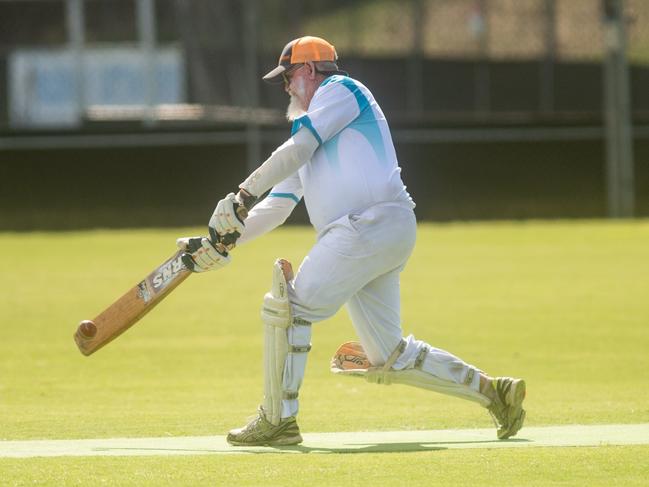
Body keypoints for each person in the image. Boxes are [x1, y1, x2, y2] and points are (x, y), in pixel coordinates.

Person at [177, 36, 526, 446]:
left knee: (289, 308)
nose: (286, 88)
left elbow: (295, 152)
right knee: (388, 355)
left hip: (368, 224)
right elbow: (279, 206)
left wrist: (241, 195)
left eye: (288, 78)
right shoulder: (307, 131)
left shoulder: (342, 90)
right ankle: (495, 393)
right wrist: (221, 241)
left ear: (309, 71)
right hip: (377, 233)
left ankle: (277, 420)